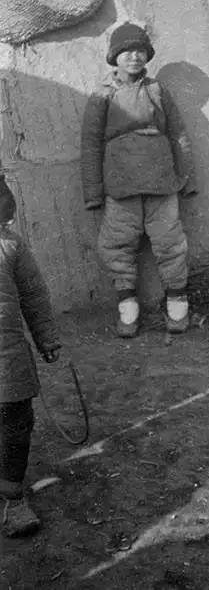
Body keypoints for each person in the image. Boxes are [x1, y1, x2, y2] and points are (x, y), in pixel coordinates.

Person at [81, 22, 197, 337]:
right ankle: (127, 308)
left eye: (140, 51)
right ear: (114, 57)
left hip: (161, 181)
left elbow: (178, 134)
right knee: (117, 245)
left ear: (147, 56)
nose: (134, 57)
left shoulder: (157, 90)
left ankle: (177, 303)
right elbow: (90, 145)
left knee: (170, 242)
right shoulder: (103, 95)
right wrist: (93, 192)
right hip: (121, 184)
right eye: (127, 52)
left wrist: (186, 177)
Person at [0, 175, 61, 537]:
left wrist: (46, 337)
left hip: (7, 358)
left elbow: (34, 295)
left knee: (15, 423)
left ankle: (13, 496)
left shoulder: (11, 246)